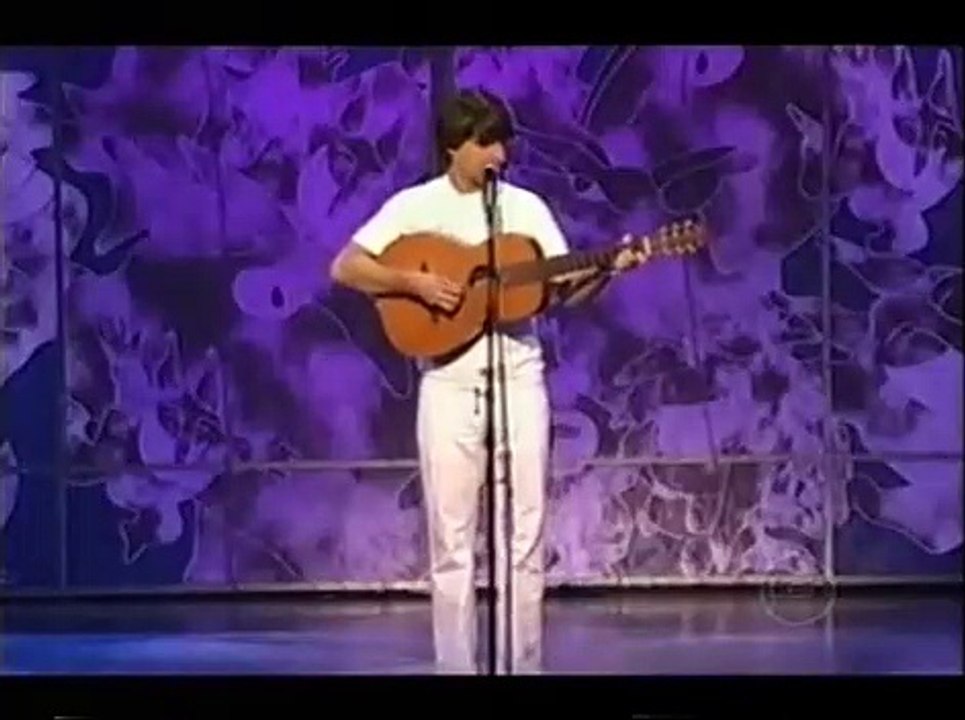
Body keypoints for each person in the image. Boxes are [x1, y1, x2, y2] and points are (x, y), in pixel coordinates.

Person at [330, 88, 644, 674]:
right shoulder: (414, 207)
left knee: (524, 539)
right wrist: (414, 284)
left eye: (505, 140)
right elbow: (347, 265)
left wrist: (607, 270)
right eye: (487, 142)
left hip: (519, 380)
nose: (501, 152)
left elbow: (561, 293)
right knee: (452, 543)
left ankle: (523, 668)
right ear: (455, 147)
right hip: (447, 385)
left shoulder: (525, 209)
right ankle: (456, 671)